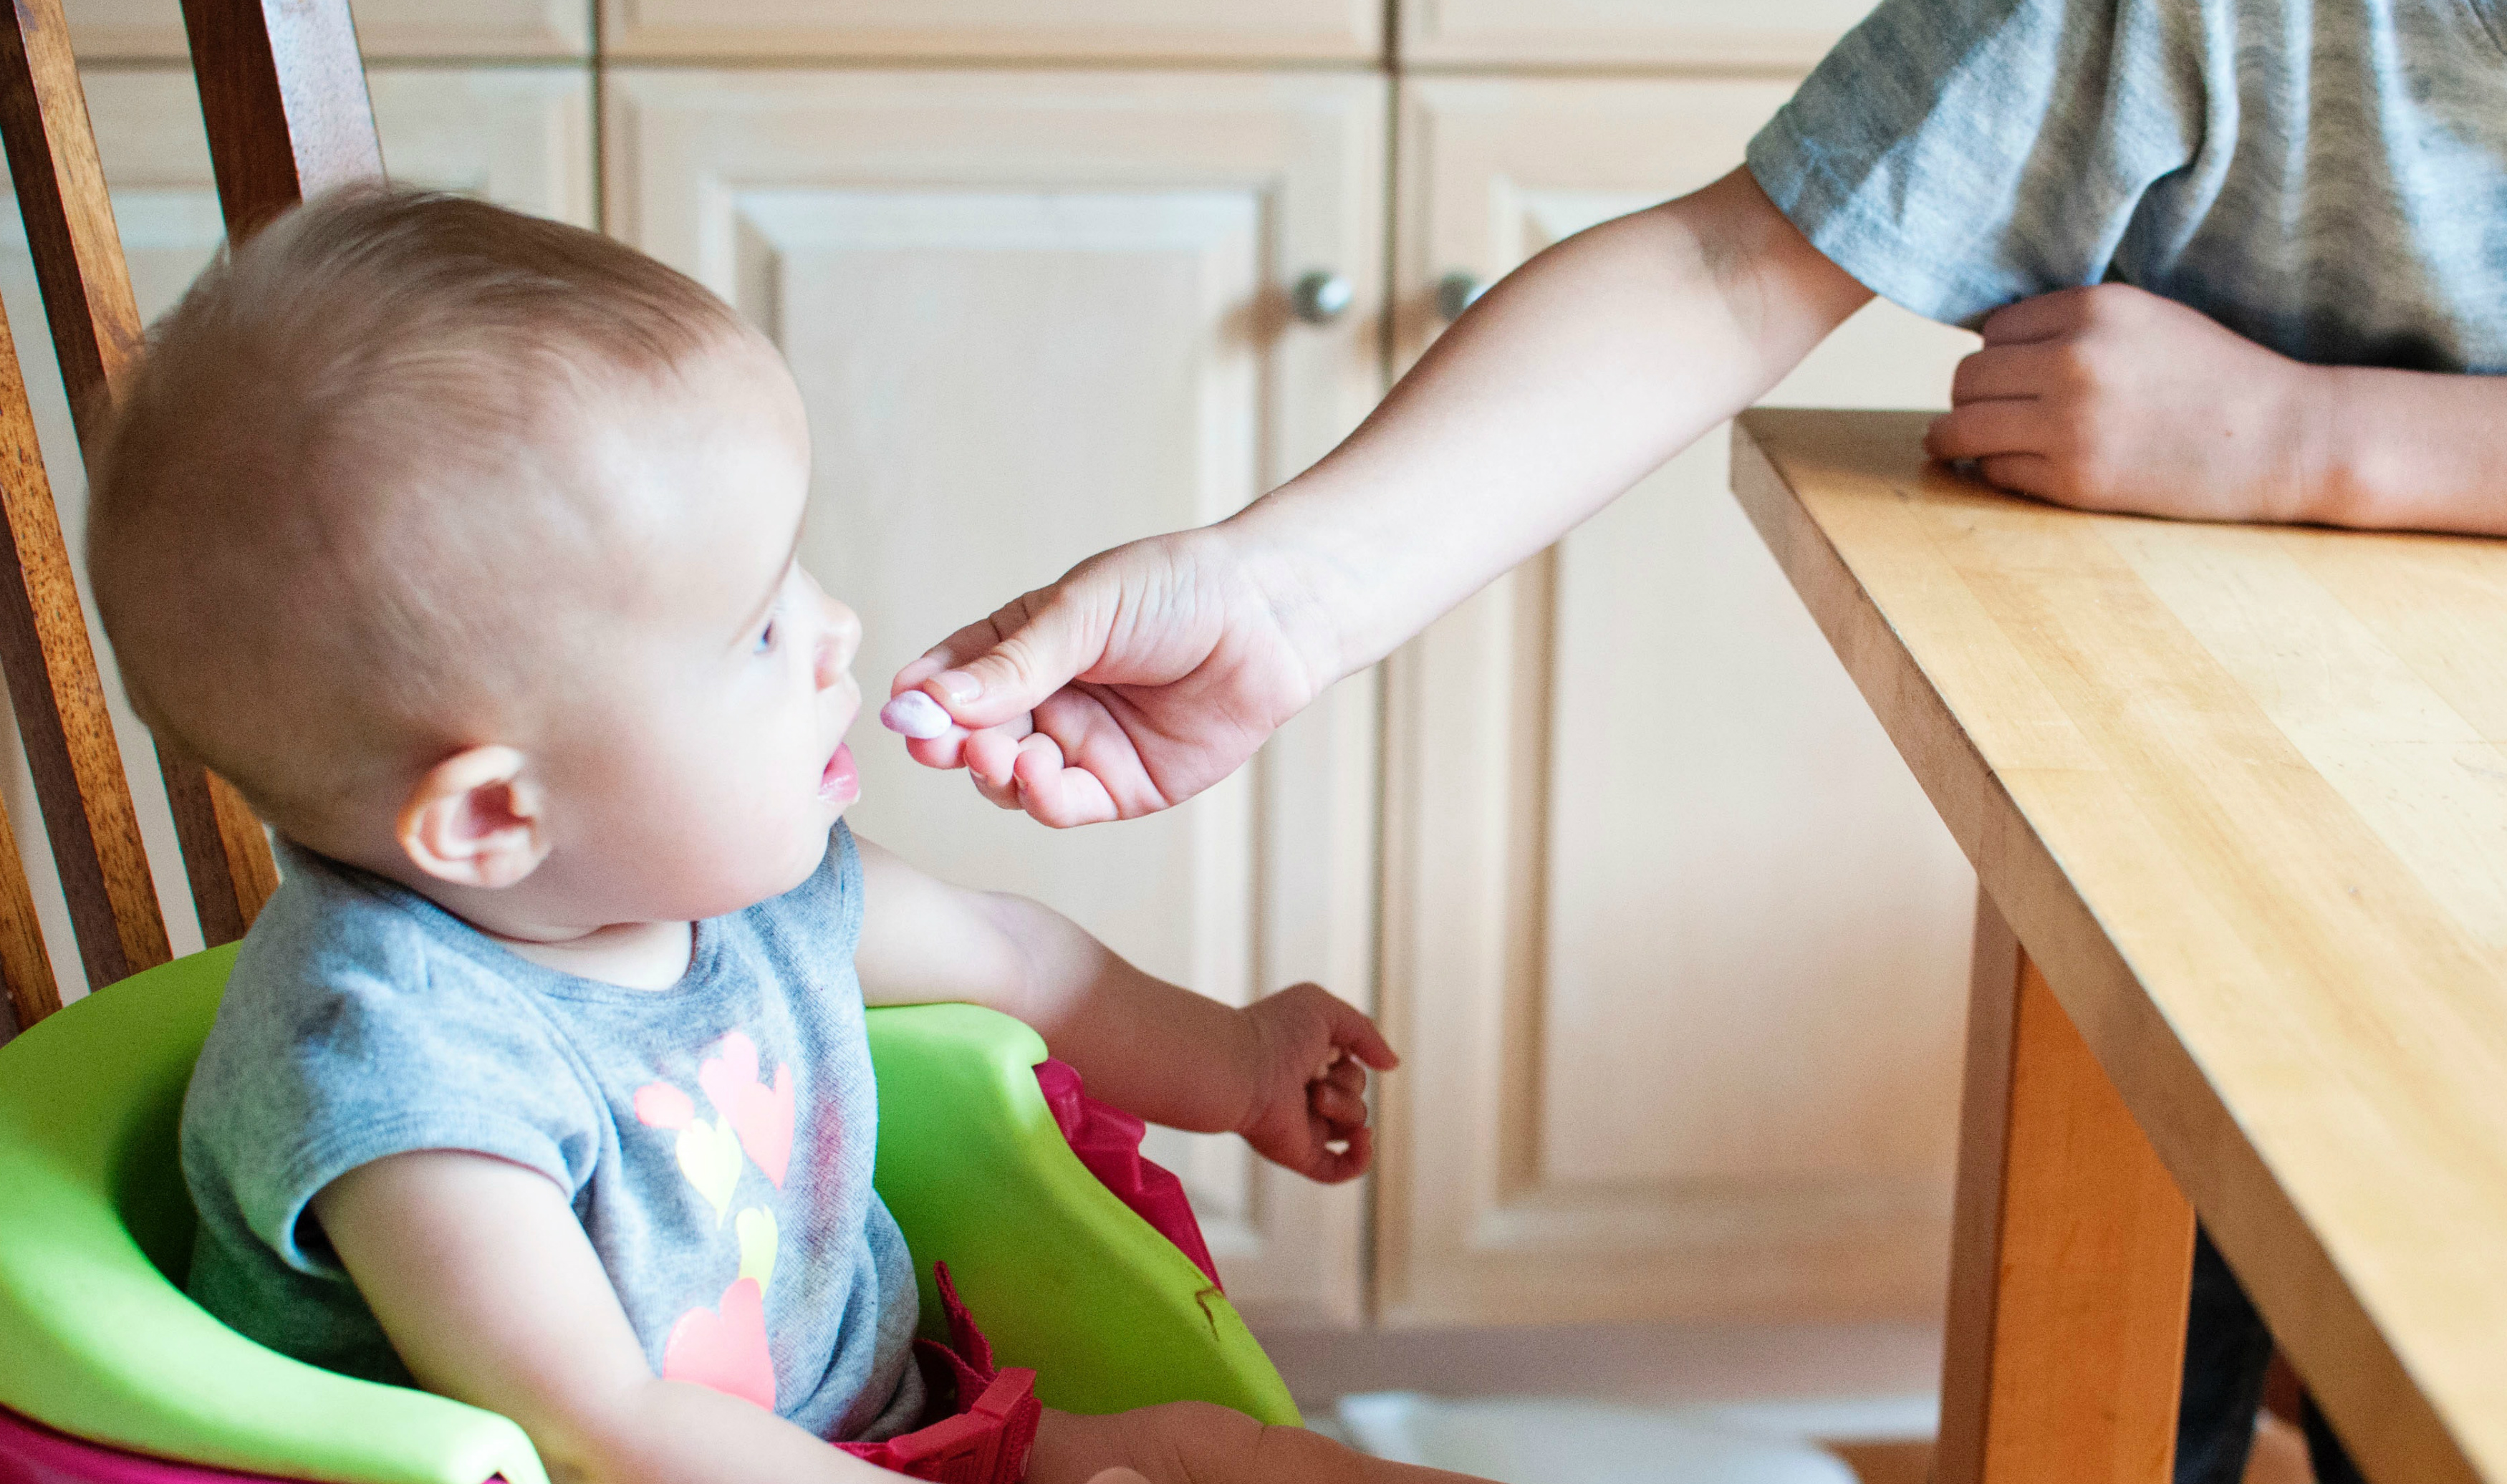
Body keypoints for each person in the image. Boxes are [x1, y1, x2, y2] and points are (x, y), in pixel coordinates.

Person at [874, 0, 2507, 1475]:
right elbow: (1742, 263)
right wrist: (1283, 591)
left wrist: (2305, 440)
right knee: (2147, 1380)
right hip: (2223, 861)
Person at [100, 188, 1484, 1484]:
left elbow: (1018, 956)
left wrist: (1240, 1064)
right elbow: (605, 1428)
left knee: (1214, 1452)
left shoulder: (729, 884)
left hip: (882, 1438)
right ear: (495, 817)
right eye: (757, 630)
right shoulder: (407, 1073)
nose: (838, 631)